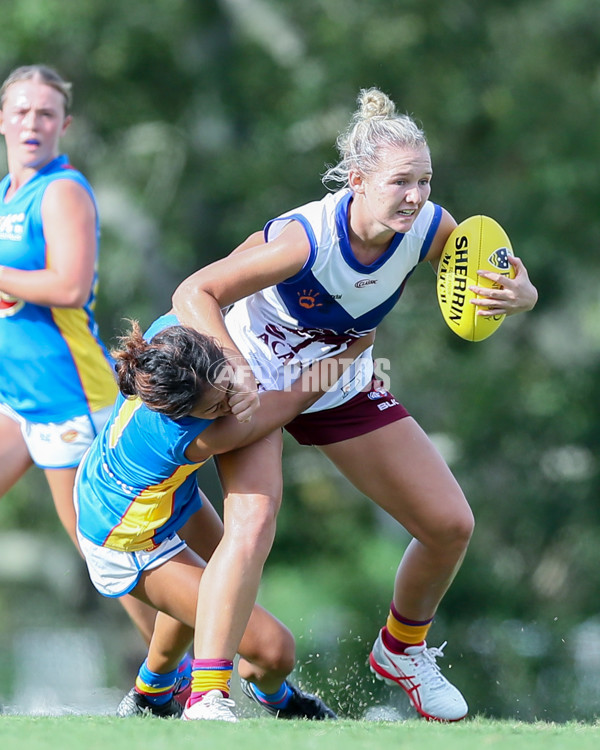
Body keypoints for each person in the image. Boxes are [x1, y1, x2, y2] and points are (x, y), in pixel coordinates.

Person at [171, 87, 539, 722]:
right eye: (401, 182)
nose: (417, 196)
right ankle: (206, 693)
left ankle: (403, 650)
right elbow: (193, 291)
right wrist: (234, 373)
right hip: (257, 374)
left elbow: (509, 276)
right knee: (254, 524)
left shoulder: (429, 228)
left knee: (450, 525)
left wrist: (522, 295)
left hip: (339, 377)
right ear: (358, 181)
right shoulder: (303, 241)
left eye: (425, 180)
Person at [74, 313, 372, 722]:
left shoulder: (173, 333)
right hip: (125, 538)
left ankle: (151, 693)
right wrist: (353, 348)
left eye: (225, 383)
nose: (231, 397)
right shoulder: (192, 435)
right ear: (183, 413)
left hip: (153, 495)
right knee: (274, 650)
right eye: (216, 406)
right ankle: (279, 701)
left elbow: (221, 285)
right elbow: (291, 401)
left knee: (224, 582)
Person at [0, 64, 160, 651]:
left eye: (45, 113)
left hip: (71, 399)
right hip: (18, 399)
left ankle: (181, 678)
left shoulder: (62, 190)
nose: (32, 123)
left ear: (64, 123)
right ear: (1, 120)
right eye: (20, 111)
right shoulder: (6, 195)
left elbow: (69, 286)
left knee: (107, 561)